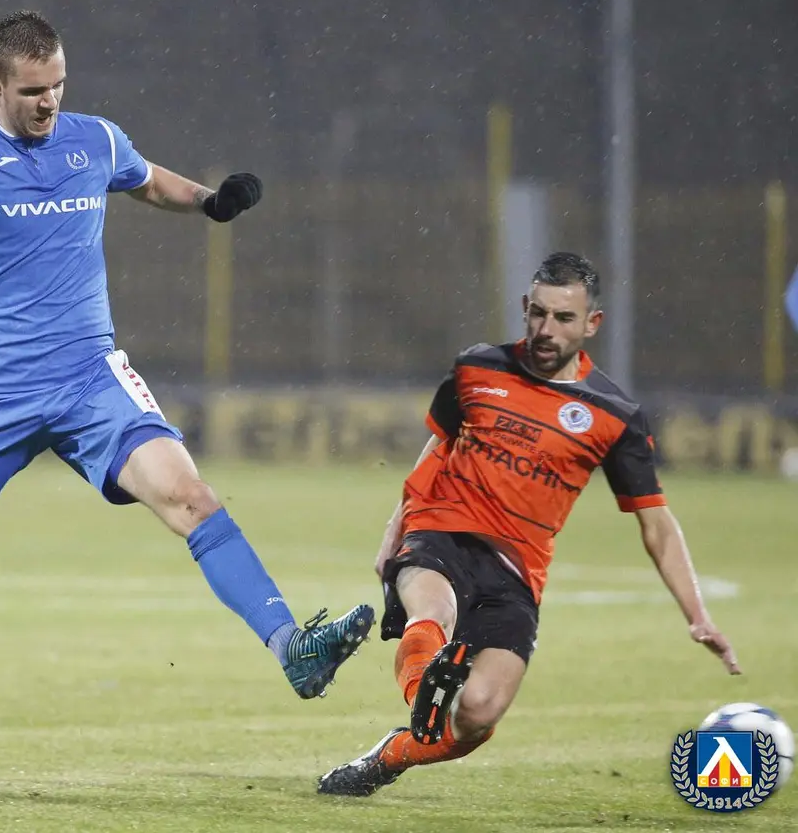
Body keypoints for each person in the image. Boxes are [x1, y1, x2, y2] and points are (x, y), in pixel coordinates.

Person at [0, 10, 374, 757]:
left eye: (57, 85)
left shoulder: (95, 138)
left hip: (90, 376)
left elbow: (147, 181)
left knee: (192, 498)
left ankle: (292, 647)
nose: (48, 101)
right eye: (32, 90)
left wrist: (209, 201)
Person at [317, 252, 740, 797]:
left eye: (564, 318)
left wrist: (697, 616)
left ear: (592, 323)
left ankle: (387, 757)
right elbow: (439, 443)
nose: (546, 329)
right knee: (434, 612)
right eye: (538, 313)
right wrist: (396, 525)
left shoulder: (614, 415)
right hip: (442, 526)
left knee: (477, 715)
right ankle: (424, 692)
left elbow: (655, 522)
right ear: (525, 307)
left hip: (517, 570)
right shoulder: (477, 367)